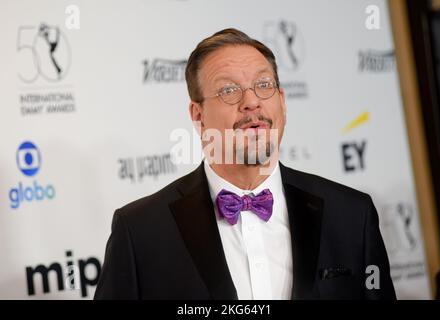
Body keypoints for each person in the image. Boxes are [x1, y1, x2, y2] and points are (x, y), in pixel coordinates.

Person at [94, 28, 396, 300]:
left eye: (263, 84)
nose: (252, 102)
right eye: (229, 90)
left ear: (282, 101)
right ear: (198, 115)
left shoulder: (351, 215)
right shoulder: (140, 231)